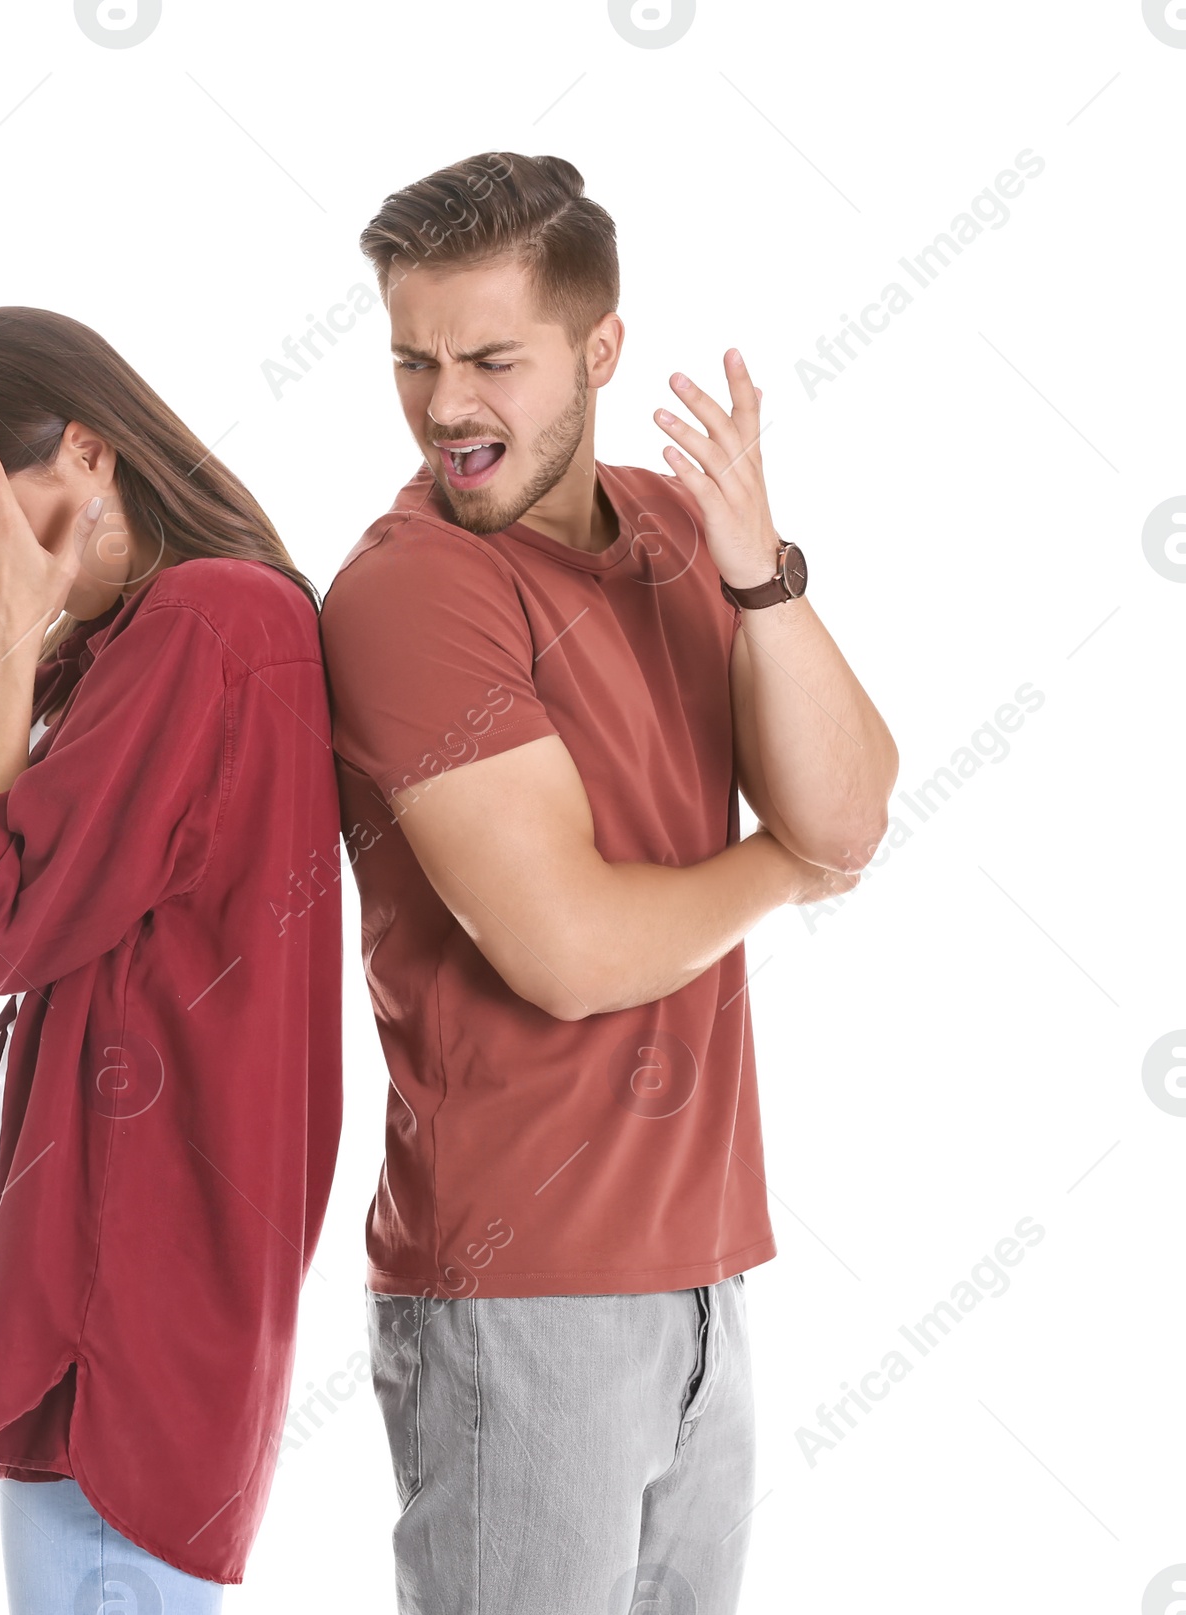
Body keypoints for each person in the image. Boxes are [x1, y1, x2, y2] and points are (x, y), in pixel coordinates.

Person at [318, 154, 899, 1614]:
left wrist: (759, 570)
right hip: (522, 1289)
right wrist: (778, 861)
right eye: (414, 359)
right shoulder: (413, 593)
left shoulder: (679, 533)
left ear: (600, 350)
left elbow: (857, 810)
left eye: (494, 360)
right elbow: (566, 949)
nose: (449, 404)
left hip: (702, 1271)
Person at [0, 306, 343, 1612]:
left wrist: (8, 646)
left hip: (132, 1293)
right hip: (84, 1272)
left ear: (91, 448)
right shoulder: (129, 651)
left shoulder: (213, 620)